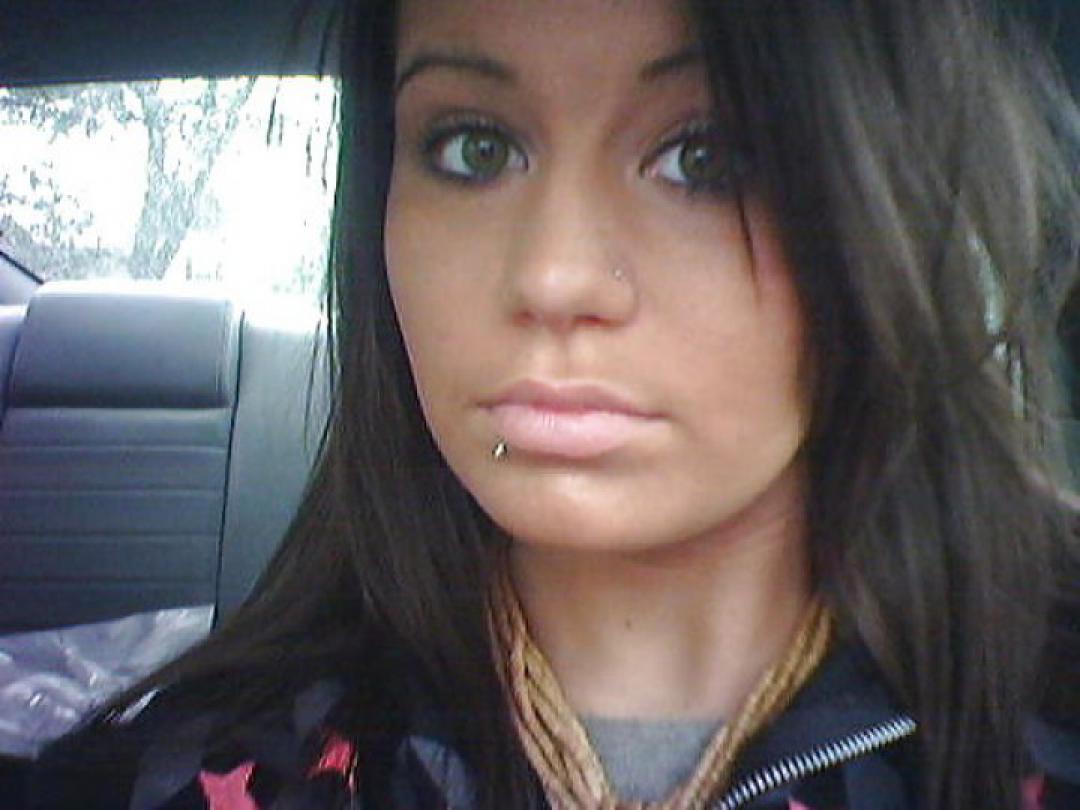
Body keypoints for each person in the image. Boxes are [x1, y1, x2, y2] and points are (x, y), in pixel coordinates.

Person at [26, 0, 1080, 808]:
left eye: (707, 158)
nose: (552, 276)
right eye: (473, 148)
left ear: (899, 204)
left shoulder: (1038, 732)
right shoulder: (206, 774)